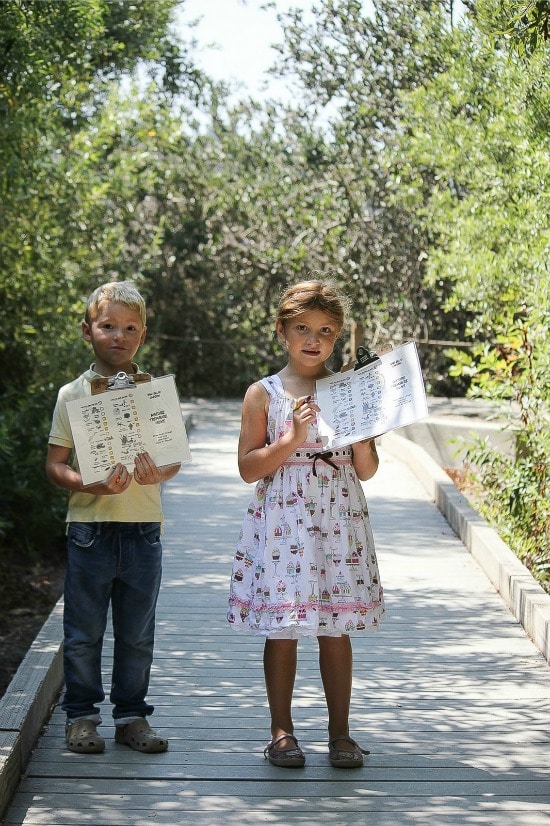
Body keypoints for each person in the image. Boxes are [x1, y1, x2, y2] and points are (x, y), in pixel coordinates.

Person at [227, 279, 385, 769]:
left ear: (337, 338)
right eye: (302, 328)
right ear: (282, 330)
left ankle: (340, 732)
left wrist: (360, 434)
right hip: (285, 521)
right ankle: (281, 731)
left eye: (326, 331)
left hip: (338, 518)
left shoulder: (349, 390)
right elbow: (249, 467)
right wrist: (293, 437)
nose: (313, 339)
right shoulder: (264, 394)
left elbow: (368, 468)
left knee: (336, 628)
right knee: (284, 627)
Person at [46, 280, 181, 755]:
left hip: (143, 529)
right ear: (88, 331)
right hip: (89, 529)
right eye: (107, 326)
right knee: (83, 634)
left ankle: (131, 718)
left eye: (129, 328)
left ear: (142, 335)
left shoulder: (154, 394)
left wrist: (154, 472)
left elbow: (172, 461)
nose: (118, 336)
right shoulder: (72, 394)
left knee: (137, 633)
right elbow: (55, 464)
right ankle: (81, 718)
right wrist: (88, 483)